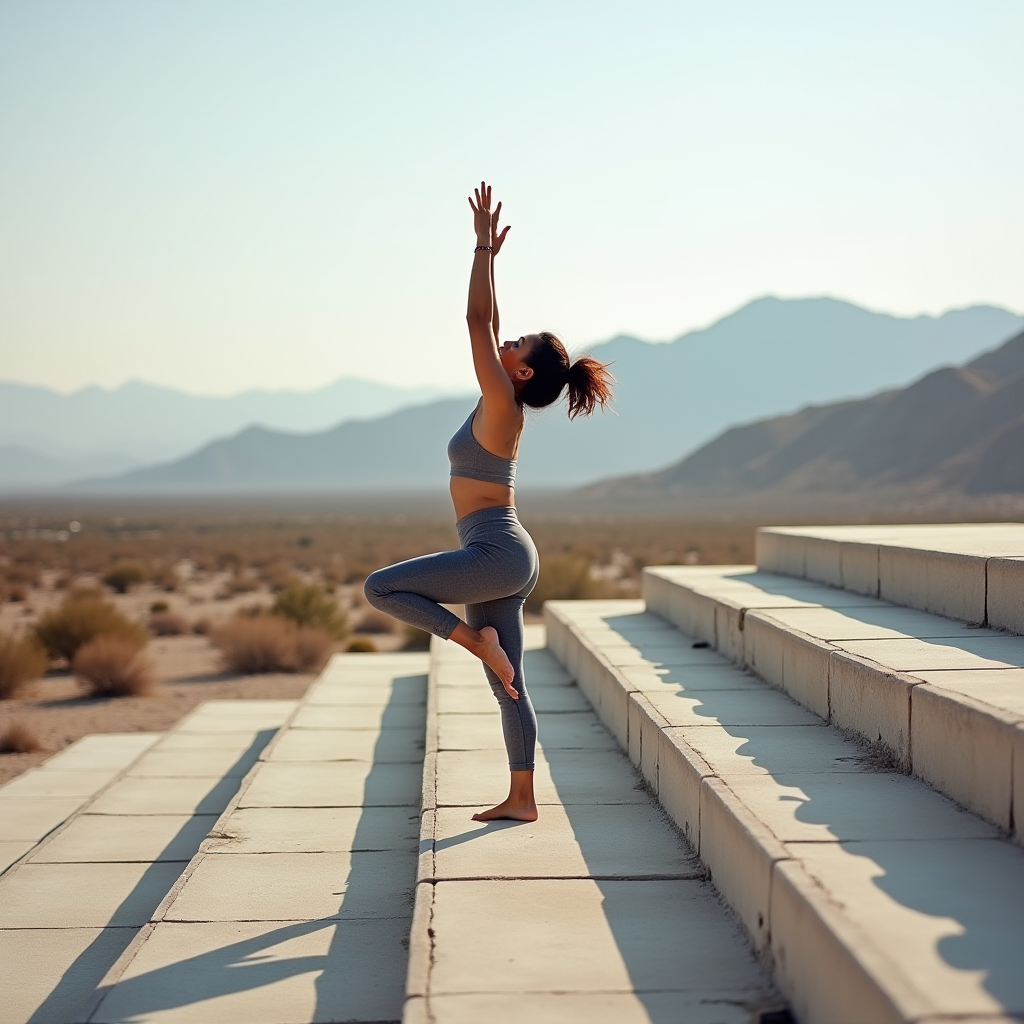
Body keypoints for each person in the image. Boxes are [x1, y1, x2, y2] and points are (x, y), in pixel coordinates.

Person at [364, 182, 614, 821]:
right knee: (510, 683)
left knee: (381, 589)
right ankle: (523, 799)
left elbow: (476, 321)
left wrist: (479, 246)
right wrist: (492, 261)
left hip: (495, 549)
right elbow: (491, 323)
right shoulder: (499, 399)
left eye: (516, 347)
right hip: (501, 549)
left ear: (523, 373)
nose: (504, 345)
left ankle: (473, 644)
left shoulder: (502, 402)